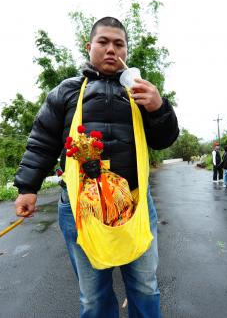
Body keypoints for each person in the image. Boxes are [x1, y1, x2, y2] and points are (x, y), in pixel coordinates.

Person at [13, 17, 179, 318]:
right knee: (93, 298)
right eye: (103, 42)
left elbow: (164, 139)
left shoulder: (142, 92)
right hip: (79, 206)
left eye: (119, 44)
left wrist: (159, 108)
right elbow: (42, 141)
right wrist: (27, 188)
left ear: (127, 51)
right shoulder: (67, 91)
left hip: (135, 202)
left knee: (145, 287)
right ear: (89, 47)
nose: (111, 49)